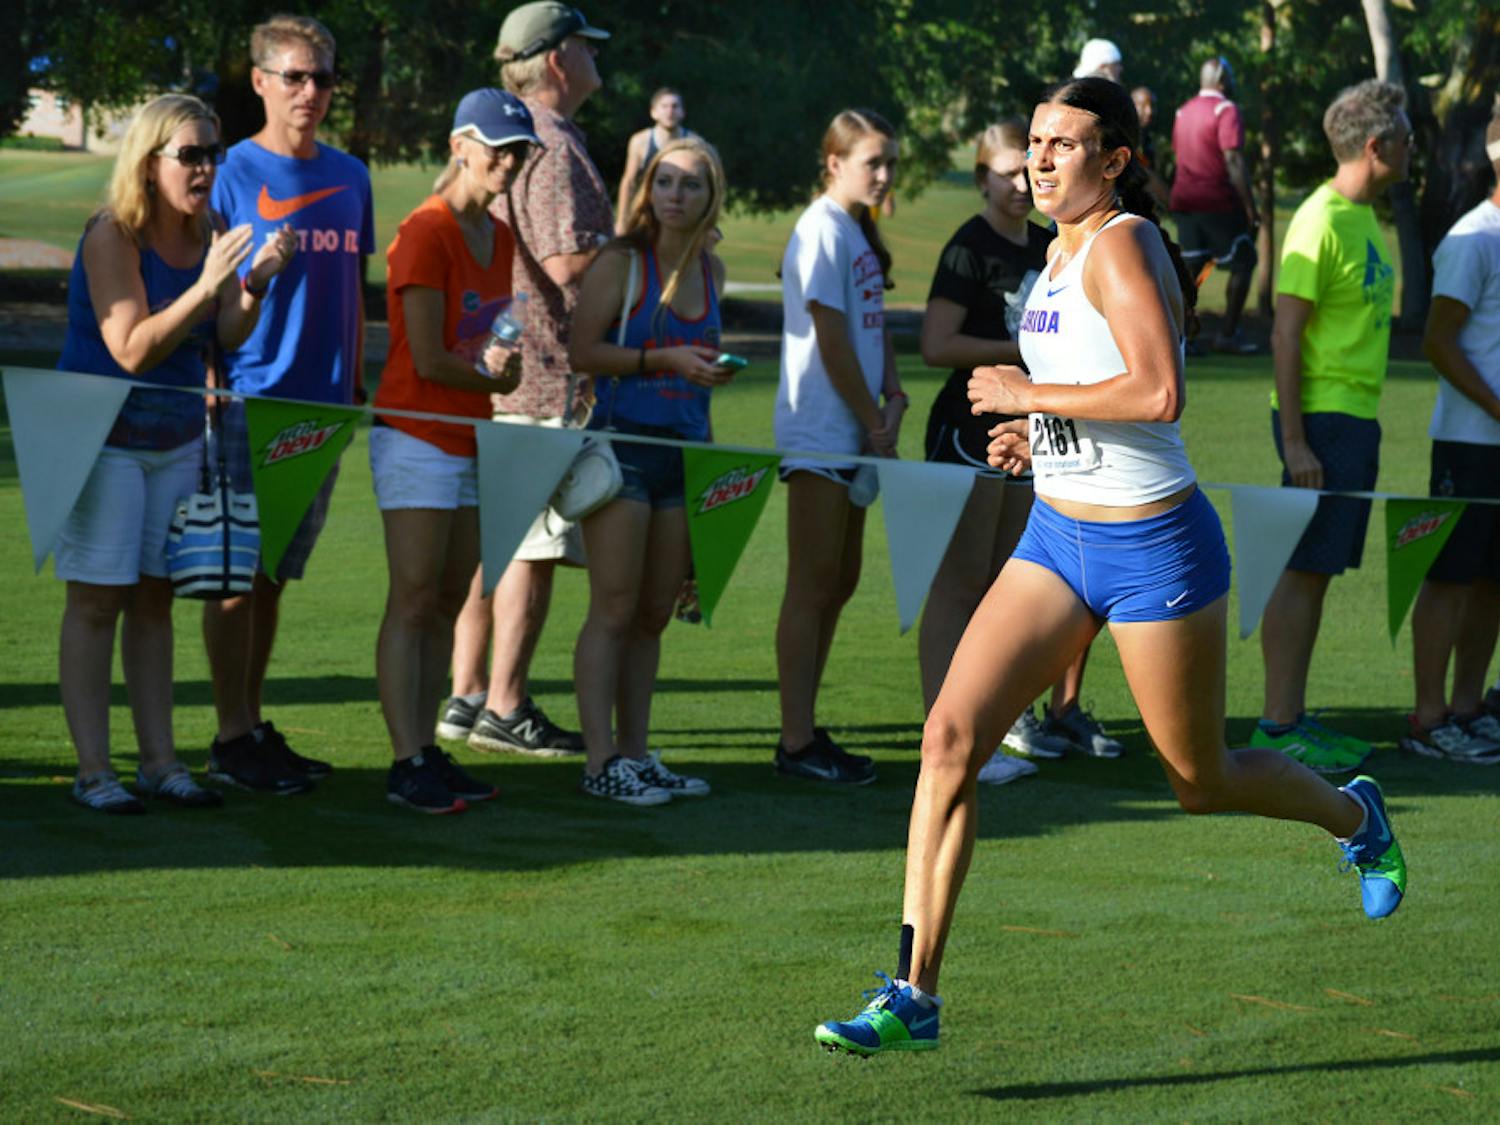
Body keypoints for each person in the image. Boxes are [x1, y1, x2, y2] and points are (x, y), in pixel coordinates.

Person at [813, 76, 1406, 1058]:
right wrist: (1033, 435)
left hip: (1153, 545)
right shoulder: (1056, 253)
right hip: (1057, 536)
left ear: (1115, 160)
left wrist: (1025, 388)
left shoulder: (1125, 241)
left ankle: (1355, 814)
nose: (1038, 159)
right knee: (949, 738)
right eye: (1034, 143)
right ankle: (912, 994)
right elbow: (1092, 394)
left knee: (1199, 779)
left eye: (1063, 145)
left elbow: (1160, 391)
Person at [56, 94, 296, 813]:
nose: (205, 167)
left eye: (211, 152)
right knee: (99, 600)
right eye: (189, 154)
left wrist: (253, 283)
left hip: (175, 437)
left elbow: (228, 333)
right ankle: (96, 770)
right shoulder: (114, 235)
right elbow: (131, 349)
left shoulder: (212, 228)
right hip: (104, 438)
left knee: (156, 601)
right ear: (150, 160)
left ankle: (162, 762)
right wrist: (206, 286)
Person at [204, 13, 376, 795]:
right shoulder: (230, 172)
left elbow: (355, 294)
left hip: (326, 408)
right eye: (295, 76)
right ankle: (230, 735)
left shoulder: (354, 174)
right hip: (250, 397)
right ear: (260, 81)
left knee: (273, 576)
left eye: (323, 77)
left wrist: (356, 380)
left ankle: (252, 721)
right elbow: (204, 291)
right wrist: (209, 375)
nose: (311, 92)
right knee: (237, 574)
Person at [439, 0, 612, 758]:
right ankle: (503, 704)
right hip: (545, 380)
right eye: (586, 45)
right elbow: (569, 261)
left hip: (515, 373)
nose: (595, 56)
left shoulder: (525, 135)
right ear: (557, 60)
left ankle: (467, 695)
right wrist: (635, 258)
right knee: (529, 553)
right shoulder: (550, 141)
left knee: (501, 545)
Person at [372, 89, 539, 814]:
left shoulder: (498, 236)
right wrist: (487, 373)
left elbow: (489, 346)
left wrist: (507, 369)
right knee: (412, 598)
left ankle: (427, 749)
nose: (508, 160)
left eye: (519, 149)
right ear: (458, 145)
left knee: (445, 598)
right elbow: (429, 355)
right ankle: (406, 757)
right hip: (414, 433)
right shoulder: (424, 231)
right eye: (497, 146)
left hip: (471, 432)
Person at [1253, 79, 1411, 773]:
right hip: (1320, 420)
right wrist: (1295, 439)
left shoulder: (1363, 216)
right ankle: (1277, 722)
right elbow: (1286, 335)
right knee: (1303, 567)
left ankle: (1293, 715)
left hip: (1354, 418)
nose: (1413, 151)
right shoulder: (1319, 218)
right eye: (1405, 140)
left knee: (1318, 572)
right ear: (1376, 146)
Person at [568, 138, 730, 804]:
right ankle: (600, 760)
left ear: (710, 197)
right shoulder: (621, 261)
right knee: (613, 607)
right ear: (647, 190)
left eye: (690, 184)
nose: (675, 194)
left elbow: (702, 376)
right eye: (665, 181)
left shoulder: (712, 271)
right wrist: (663, 362)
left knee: (655, 613)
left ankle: (635, 752)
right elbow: (583, 350)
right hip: (621, 449)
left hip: (685, 455)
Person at [917, 119, 1058, 783]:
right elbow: (937, 344)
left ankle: (991, 728)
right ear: (982, 178)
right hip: (966, 427)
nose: (1021, 182)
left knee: (1005, 584)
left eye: (1029, 167)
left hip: (1026, 432)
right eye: (1006, 171)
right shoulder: (967, 248)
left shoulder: (1048, 244)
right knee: (960, 582)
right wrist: (1018, 357)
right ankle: (945, 736)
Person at [773, 109, 906, 786]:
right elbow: (828, 335)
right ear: (834, 163)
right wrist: (870, 419)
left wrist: (894, 394)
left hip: (857, 429)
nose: (884, 174)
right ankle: (795, 740)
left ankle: (807, 726)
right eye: (872, 162)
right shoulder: (820, 228)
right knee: (812, 581)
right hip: (822, 429)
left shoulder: (855, 229)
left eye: (890, 162)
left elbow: (869, 325)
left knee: (840, 580)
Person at [1401, 111, 1500, 764]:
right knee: (1449, 578)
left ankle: (1469, 708)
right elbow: (1438, 341)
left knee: (1493, 579)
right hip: (1470, 443)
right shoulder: (1474, 238)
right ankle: (1427, 719)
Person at [1170, 56, 1260, 353]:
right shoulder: (1226, 109)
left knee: (1190, 271)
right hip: (1217, 202)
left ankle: (1180, 337)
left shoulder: (1183, 111)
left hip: (1184, 202)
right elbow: (1232, 159)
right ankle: (1228, 334)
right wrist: (1249, 206)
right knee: (1244, 260)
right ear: (1223, 80)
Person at [614, 87, 698, 232]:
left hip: (679, 214)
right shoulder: (640, 141)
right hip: (646, 214)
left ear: (683, 112)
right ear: (654, 113)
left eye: (675, 106)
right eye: (664, 106)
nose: (670, 111)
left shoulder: (694, 143)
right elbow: (629, 181)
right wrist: (621, 220)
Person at [1130, 85, 1171, 211]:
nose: (1149, 111)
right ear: (1132, 107)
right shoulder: (1126, 136)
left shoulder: (1146, 137)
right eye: (1143, 106)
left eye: (1152, 106)